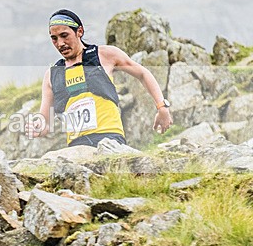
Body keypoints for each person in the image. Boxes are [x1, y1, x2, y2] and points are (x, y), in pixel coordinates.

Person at [25, 9, 172, 147]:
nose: (60, 43)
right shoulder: (52, 75)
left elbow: (143, 74)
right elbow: (45, 123)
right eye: (54, 38)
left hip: (110, 139)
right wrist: (36, 127)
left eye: (64, 35)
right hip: (76, 147)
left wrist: (162, 107)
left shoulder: (104, 55)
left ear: (79, 31)